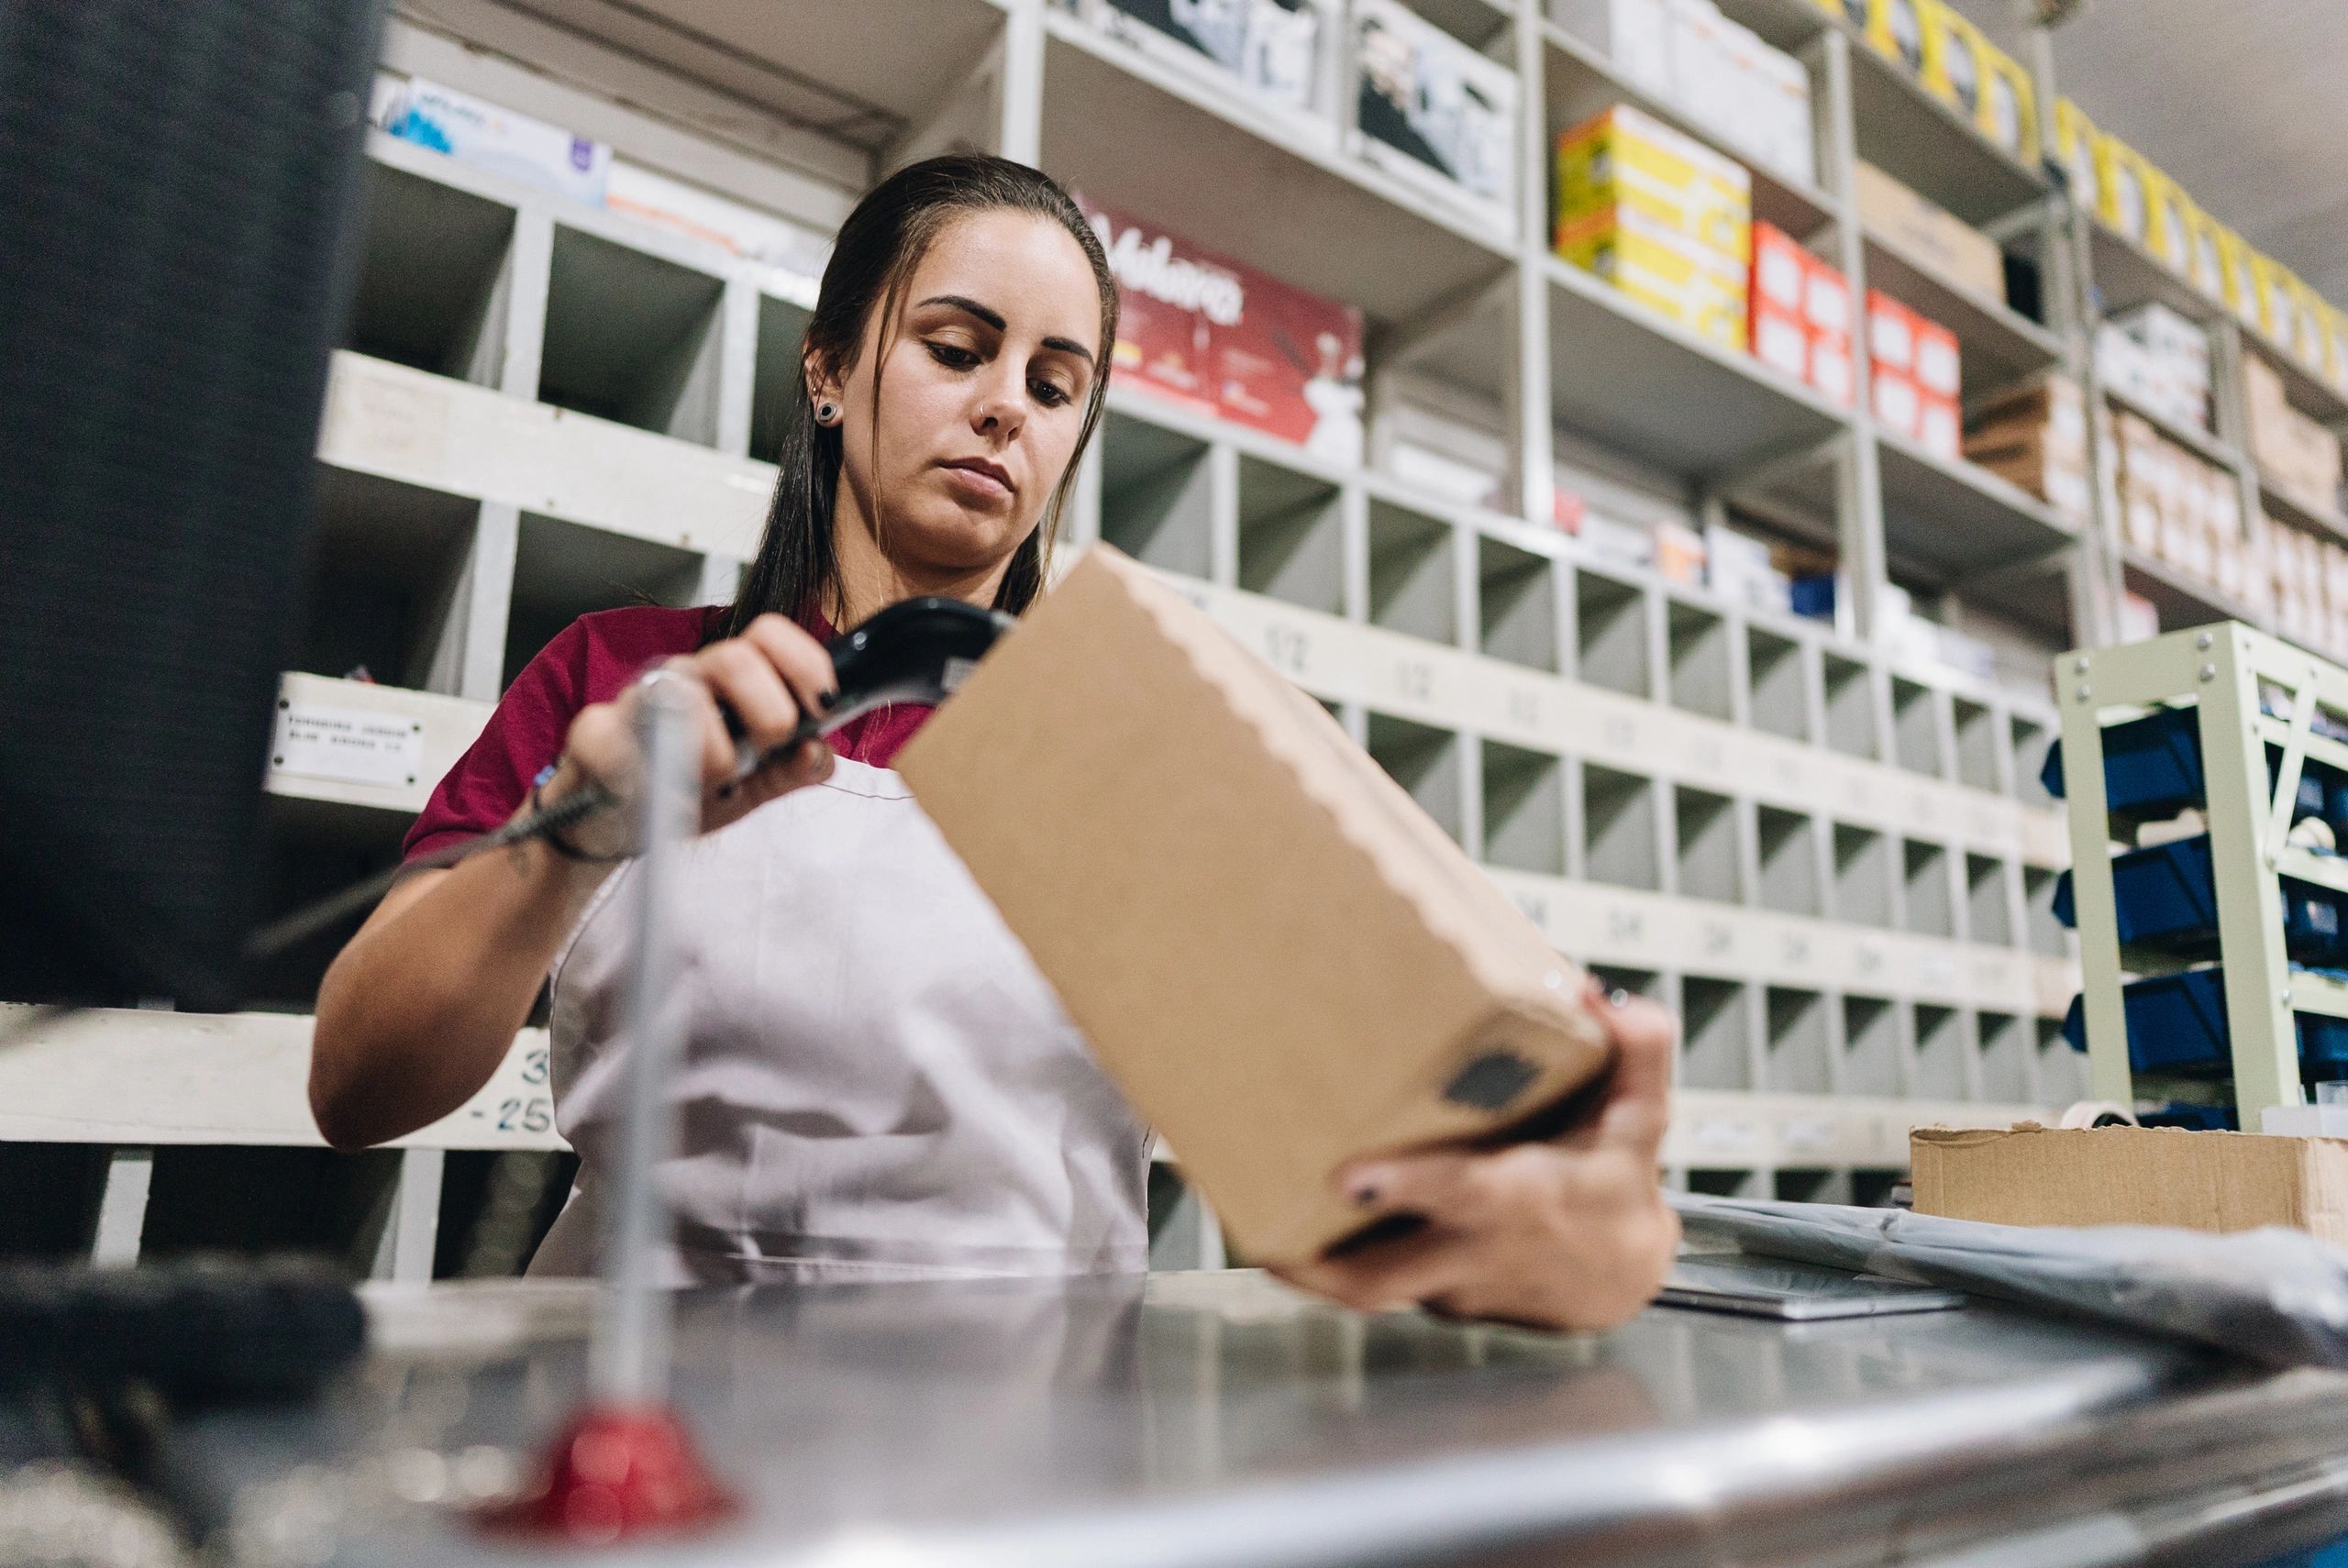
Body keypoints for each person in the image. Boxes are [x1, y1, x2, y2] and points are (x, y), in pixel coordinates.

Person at [311, 154, 1678, 1330]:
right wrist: (569, 837)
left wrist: (1594, 1234)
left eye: (1055, 382)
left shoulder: (1157, 742)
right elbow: (357, 1088)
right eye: (958, 350)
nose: (1007, 406)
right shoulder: (620, 679)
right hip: (632, 1419)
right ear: (830, 367)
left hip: (1027, 1433)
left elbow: (1451, 1126)